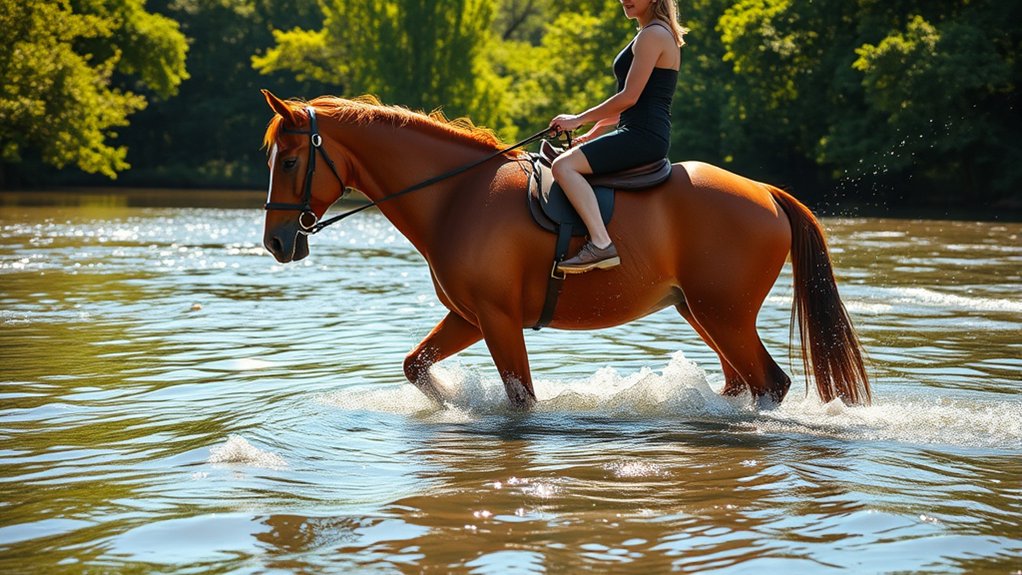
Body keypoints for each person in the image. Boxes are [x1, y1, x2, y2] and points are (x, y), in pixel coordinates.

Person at [549, 0, 687, 274]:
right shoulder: (653, 32)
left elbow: (629, 98)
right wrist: (594, 132)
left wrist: (577, 119)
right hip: (641, 131)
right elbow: (639, 102)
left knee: (563, 166)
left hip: (642, 136)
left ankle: (601, 243)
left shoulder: (653, 35)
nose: (625, 0)